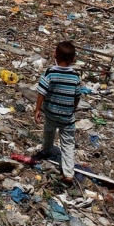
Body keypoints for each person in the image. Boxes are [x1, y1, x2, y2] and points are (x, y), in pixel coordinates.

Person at [34, 40, 82, 183]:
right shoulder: (75, 77)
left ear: (54, 54)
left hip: (50, 113)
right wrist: (72, 109)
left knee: (49, 130)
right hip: (67, 117)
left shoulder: (50, 72)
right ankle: (68, 173)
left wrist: (37, 109)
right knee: (67, 144)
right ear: (73, 59)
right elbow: (77, 96)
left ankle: (47, 149)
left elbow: (41, 92)